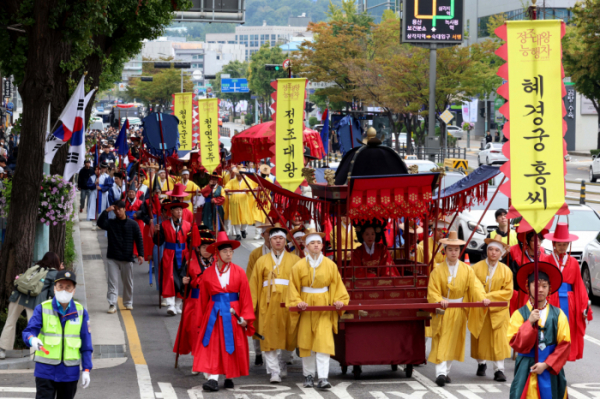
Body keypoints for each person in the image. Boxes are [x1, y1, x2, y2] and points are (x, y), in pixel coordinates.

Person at [287, 228, 350, 390]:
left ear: (322, 246)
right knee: (306, 343)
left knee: (323, 342)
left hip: (324, 306)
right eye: (312, 243)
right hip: (306, 306)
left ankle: (323, 377)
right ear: (306, 246)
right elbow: (293, 288)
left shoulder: (330, 265)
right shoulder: (299, 265)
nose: (316, 245)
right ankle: (308, 375)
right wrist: (298, 301)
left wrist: (338, 301)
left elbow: (337, 286)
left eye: (318, 243)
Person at [195, 232, 256, 392]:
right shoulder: (207, 274)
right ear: (217, 253)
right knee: (213, 345)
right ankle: (213, 378)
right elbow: (202, 299)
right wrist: (200, 321)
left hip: (233, 313)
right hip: (213, 314)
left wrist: (246, 317)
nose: (229, 254)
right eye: (225, 251)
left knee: (232, 344)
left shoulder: (239, 272)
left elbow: (245, 297)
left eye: (231, 251)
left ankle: (229, 376)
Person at [427, 231, 487, 387]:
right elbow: (432, 290)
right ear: (445, 251)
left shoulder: (467, 270)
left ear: (460, 251)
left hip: (459, 309)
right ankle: (440, 373)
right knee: (441, 339)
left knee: (454, 340)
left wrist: (483, 298)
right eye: (450, 249)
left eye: (456, 250)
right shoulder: (437, 270)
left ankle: (446, 371)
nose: (453, 252)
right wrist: (439, 300)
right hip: (443, 309)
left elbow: (475, 287)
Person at [22, 270, 93, 399]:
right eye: (60, 287)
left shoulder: (81, 312)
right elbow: (28, 331)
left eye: (68, 287)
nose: (64, 290)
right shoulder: (42, 308)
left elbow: (86, 343)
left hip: (69, 373)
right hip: (45, 371)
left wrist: (87, 369)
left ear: (74, 290)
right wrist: (32, 339)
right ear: (54, 289)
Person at [508, 261, 570, 399]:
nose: (540, 289)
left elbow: (565, 344)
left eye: (544, 286)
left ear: (549, 288)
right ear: (527, 286)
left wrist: (547, 364)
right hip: (526, 368)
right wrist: (528, 323)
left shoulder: (558, 314)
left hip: (550, 367)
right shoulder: (519, 314)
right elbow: (514, 342)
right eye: (536, 285)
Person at [249, 224, 301, 383]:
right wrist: (252, 308)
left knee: (288, 335)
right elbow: (254, 285)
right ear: (269, 241)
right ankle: (274, 371)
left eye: (281, 238)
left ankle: (283, 362)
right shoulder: (261, 261)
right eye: (275, 238)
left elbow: (300, 283)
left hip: (288, 302)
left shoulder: (295, 260)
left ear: (286, 241)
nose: (278, 241)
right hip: (267, 303)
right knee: (268, 336)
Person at [541, 222, 592, 362]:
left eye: (564, 244)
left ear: (568, 244)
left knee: (567, 330)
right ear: (553, 244)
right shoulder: (546, 260)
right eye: (559, 244)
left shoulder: (574, 262)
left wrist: (583, 306)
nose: (562, 247)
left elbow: (579, 286)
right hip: (551, 298)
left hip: (569, 302)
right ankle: (549, 358)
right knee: (550, 329)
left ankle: (562, 358)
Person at [0, 252, 62, 360]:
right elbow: (53, 293)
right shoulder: (53, 273)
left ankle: (2, 350)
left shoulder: (35, 267)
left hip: (18, 297)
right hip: (34, 302)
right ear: (55, 262)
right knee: (33, 327)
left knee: (10, 322)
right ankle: (35, 354)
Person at [469, 236, 513, 382]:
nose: (493, 253)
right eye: (491, 249)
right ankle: (481, 363)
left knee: (499, 340)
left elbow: (508, 292)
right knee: (480, 337)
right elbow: (472, 287)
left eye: (497, 250)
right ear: (487, 251)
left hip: (498, 311)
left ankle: (499, 369)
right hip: (481, 308)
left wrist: (490, 297)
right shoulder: (475, 268)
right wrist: (482, 298)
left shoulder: (506, 271)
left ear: (501, 253)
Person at [174, 226, 215, 374]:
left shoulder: (218, 262)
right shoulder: (190, 260)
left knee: (210, 332)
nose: (206, 250)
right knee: (194, 332)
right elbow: (180, 276)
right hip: (194, 301)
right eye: (203, 247)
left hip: (212, 302)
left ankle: (207, 362)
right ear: (198, 248)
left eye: (208, 247)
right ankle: (197, 361)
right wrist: (183, 281)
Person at [97, 201, 144, 314]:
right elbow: (100, 223)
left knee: (128, 282)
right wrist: (106, 211)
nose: (117, 211)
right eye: (115, 209)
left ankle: (128, 302)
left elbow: (139, 239)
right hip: (113, 257)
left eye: (120, 209)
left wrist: (141, 254)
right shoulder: (111, 223)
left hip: (127, 257)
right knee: (112, 282)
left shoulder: (133, 224)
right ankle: (112, 303)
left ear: (124, 209)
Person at [154, 201, 191, 316]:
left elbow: (191, 242)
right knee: (169, 278)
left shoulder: (187, 225)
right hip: (169, 255)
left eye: (181, 210)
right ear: (172, 212)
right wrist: (157, 232)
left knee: (182, 278)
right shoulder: (164, 225)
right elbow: (158, 243)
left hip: (184, 254)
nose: (180, 212)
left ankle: (178, 304)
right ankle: (170, 304)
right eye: (177, 210)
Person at [509, 230, 546, 316]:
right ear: (526, 241)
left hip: (542, 296)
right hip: (524, 297)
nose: (538, 243)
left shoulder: (546, 259)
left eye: (539, 240)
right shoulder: (518, 261)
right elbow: (514, 285)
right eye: (533, 240)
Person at [225, 167, 254, 241]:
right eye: (238, 176)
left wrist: (247, 189)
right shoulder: (232, 181)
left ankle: (243, 229)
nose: (239, 177)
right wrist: (227, 189)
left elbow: (251, 188)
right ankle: (238, 234)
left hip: (244, 201)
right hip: (234, 201)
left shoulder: (247, 181)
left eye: (240, 176)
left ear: (243, 175)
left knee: (245, 217)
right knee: (236, 218)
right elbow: (227, 186)